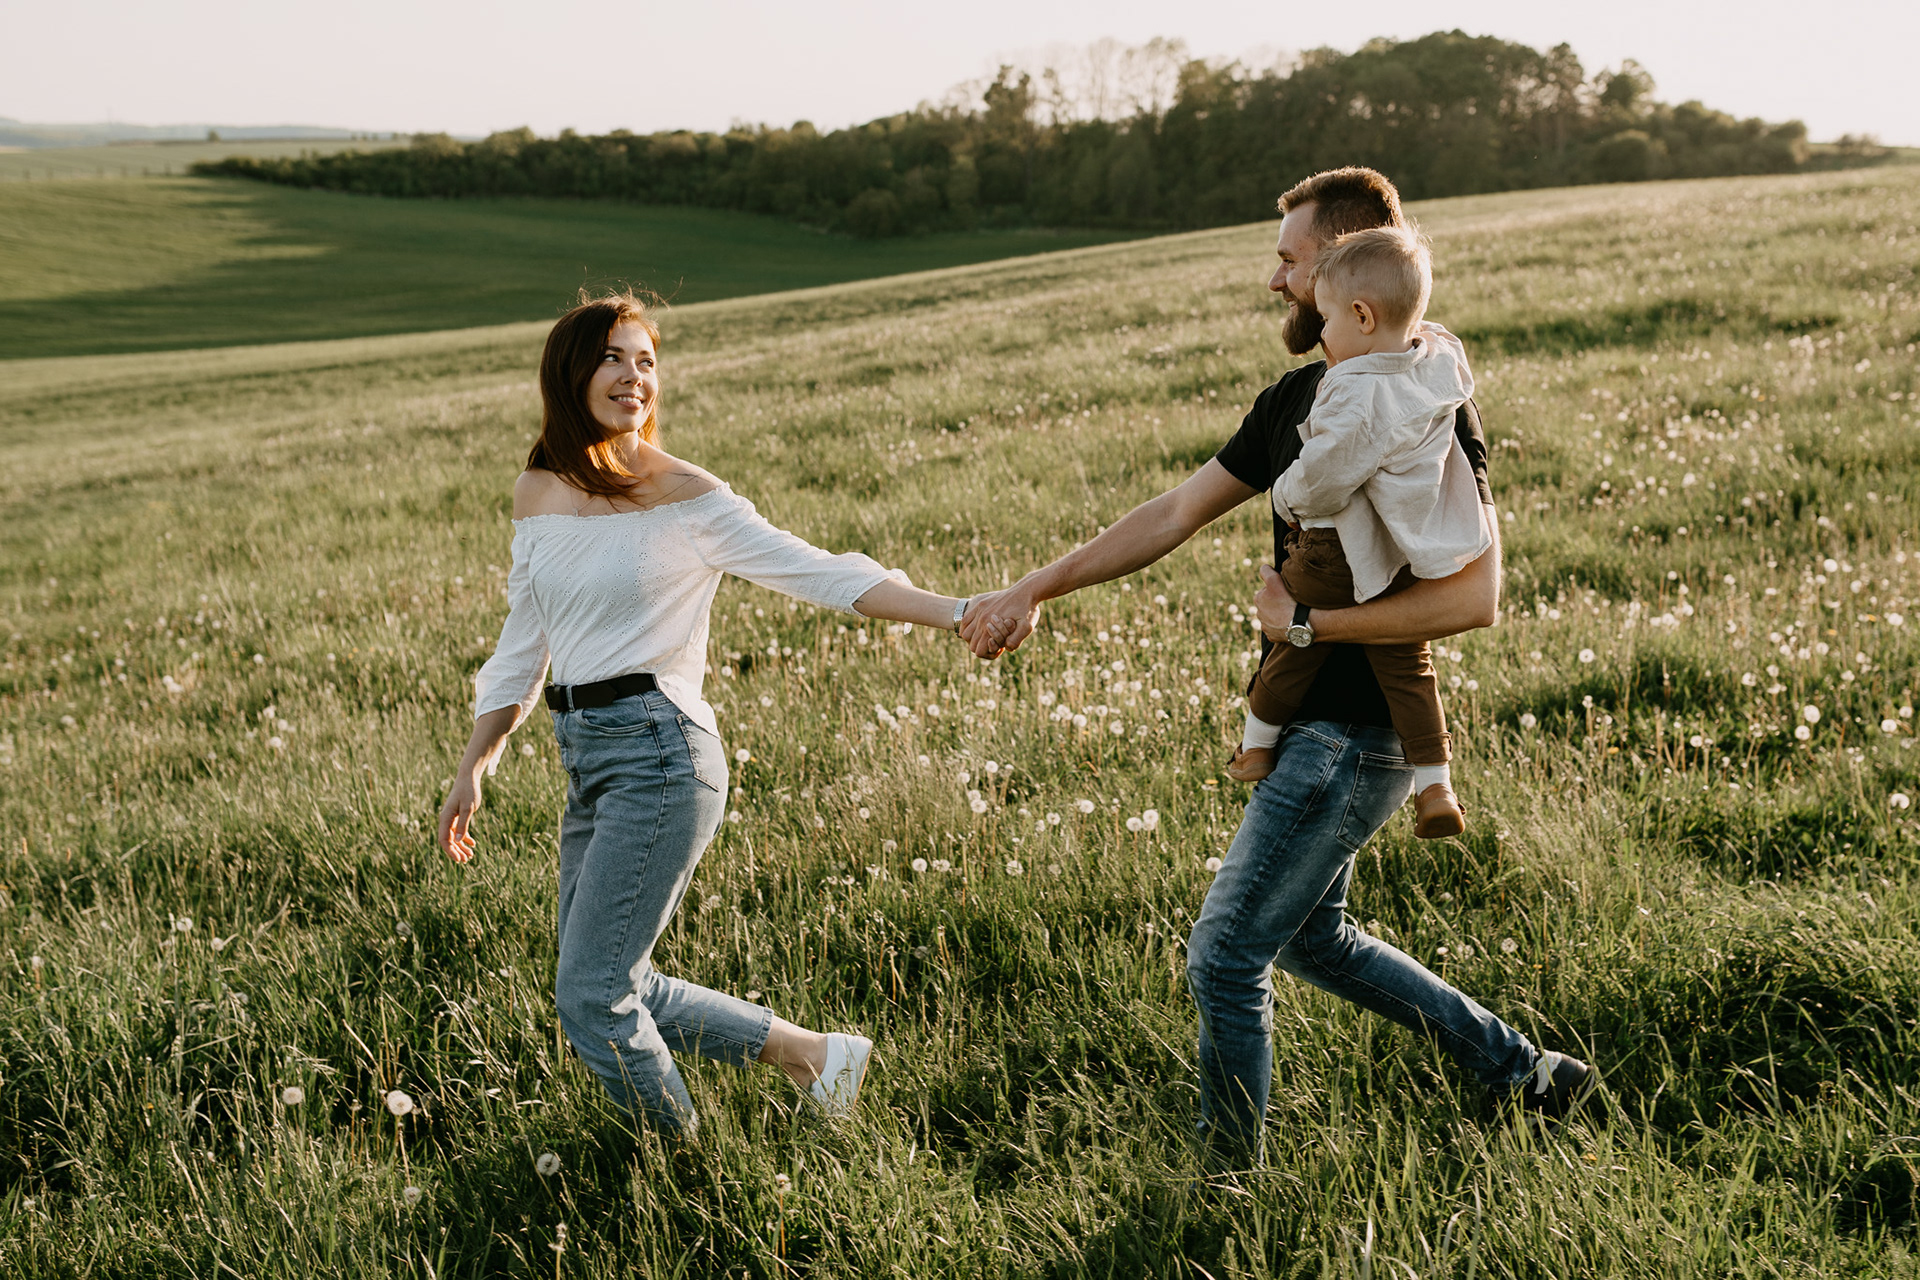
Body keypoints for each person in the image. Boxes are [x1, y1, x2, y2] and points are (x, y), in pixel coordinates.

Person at [962, 167, 1594, 1167]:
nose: (1275, 283)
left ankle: (1226, 1186)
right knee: (1312, 939)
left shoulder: (1423, 401)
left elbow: (1475, 600)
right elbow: (1174, 512)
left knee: (1222, 954)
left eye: (1290, 262)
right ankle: (1528, 1073)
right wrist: (1035, 585)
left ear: (1349, 273)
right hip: (1315, 721)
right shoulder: (1301, 395)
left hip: (1357, 727)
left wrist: (1306, 624)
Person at [437, 290, 977, 1140]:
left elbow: (823, 573)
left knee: (591, 993)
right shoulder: (538, 490)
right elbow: (523, 641)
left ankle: (684, 1174)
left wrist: (956, 609)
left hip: (660, 752)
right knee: (619, 979)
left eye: (646, 361)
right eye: (614, 358)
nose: (633, 376)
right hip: (587, 756)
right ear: (570, 372)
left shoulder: (687, 496)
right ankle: (814, 1057)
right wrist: (478, 760)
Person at [1229, 224, 1487, 844]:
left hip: (1334, 554)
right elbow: (1436, 337)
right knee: (1409, 664)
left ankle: (1257, 746)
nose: (1321, 336)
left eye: (1326, 322)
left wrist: (1286, 497)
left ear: (1362, 315)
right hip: (1400, 557)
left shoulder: (1355, 394)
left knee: (1292, 647)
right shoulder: (1437, 366)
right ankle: (1434, 783)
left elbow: (1324, 475)